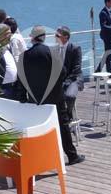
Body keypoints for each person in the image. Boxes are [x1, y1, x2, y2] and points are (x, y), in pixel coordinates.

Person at [20, 25, 84, 165]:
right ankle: (72, 156)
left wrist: (23, 97)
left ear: (32, 38)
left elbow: (21, 79)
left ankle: (40, 158)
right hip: (55, 95)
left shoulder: (24, 55)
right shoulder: (51, 52)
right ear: (43, 38)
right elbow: (62, 72)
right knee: (62, 125)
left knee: (39, 126)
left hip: (34, 98)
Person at [54, 25, 84, 119]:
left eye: (58, 36)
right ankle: (57, 117)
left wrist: (66, 82)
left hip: (75, 78)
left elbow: (76, 68)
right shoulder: (54, 49)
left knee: (69, 96)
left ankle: (68, 116)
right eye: (55, 35)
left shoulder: (75, 48)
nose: (56, 37)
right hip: (61, 79)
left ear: (66, 37)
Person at [98, 0, 111, 73]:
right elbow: (103, 26)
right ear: (107, 2)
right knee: (108, 52)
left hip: (110, 35)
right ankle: (101, 70)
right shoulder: (103, 13)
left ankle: (106, 70)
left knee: (108, 52)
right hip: (106, 35)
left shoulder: (110, 11)